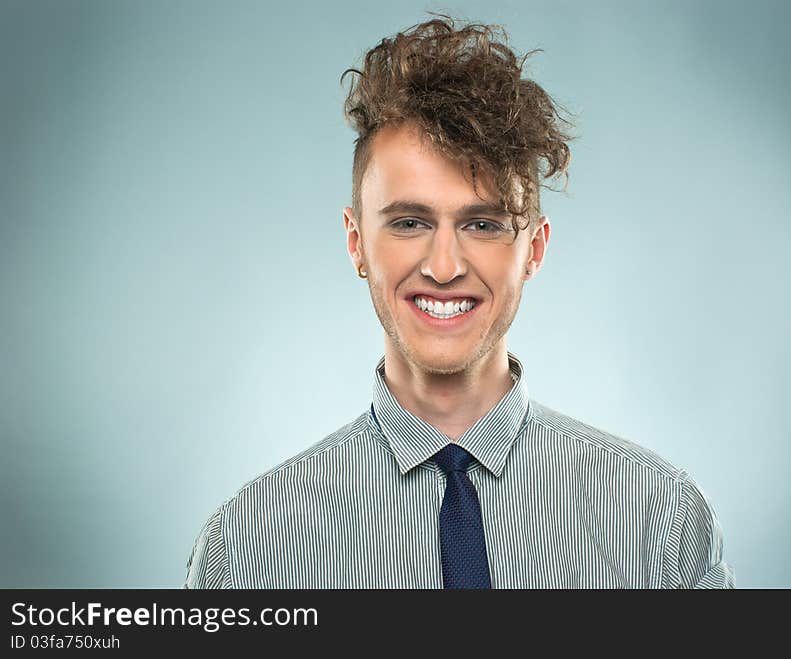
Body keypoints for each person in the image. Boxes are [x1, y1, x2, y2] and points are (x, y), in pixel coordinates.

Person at [183, 16, 735, 589]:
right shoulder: (246, 546)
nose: (444, 267)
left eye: (483, 223)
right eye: (409, 221)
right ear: (356, 243)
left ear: (534, 249)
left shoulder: (659, 523)